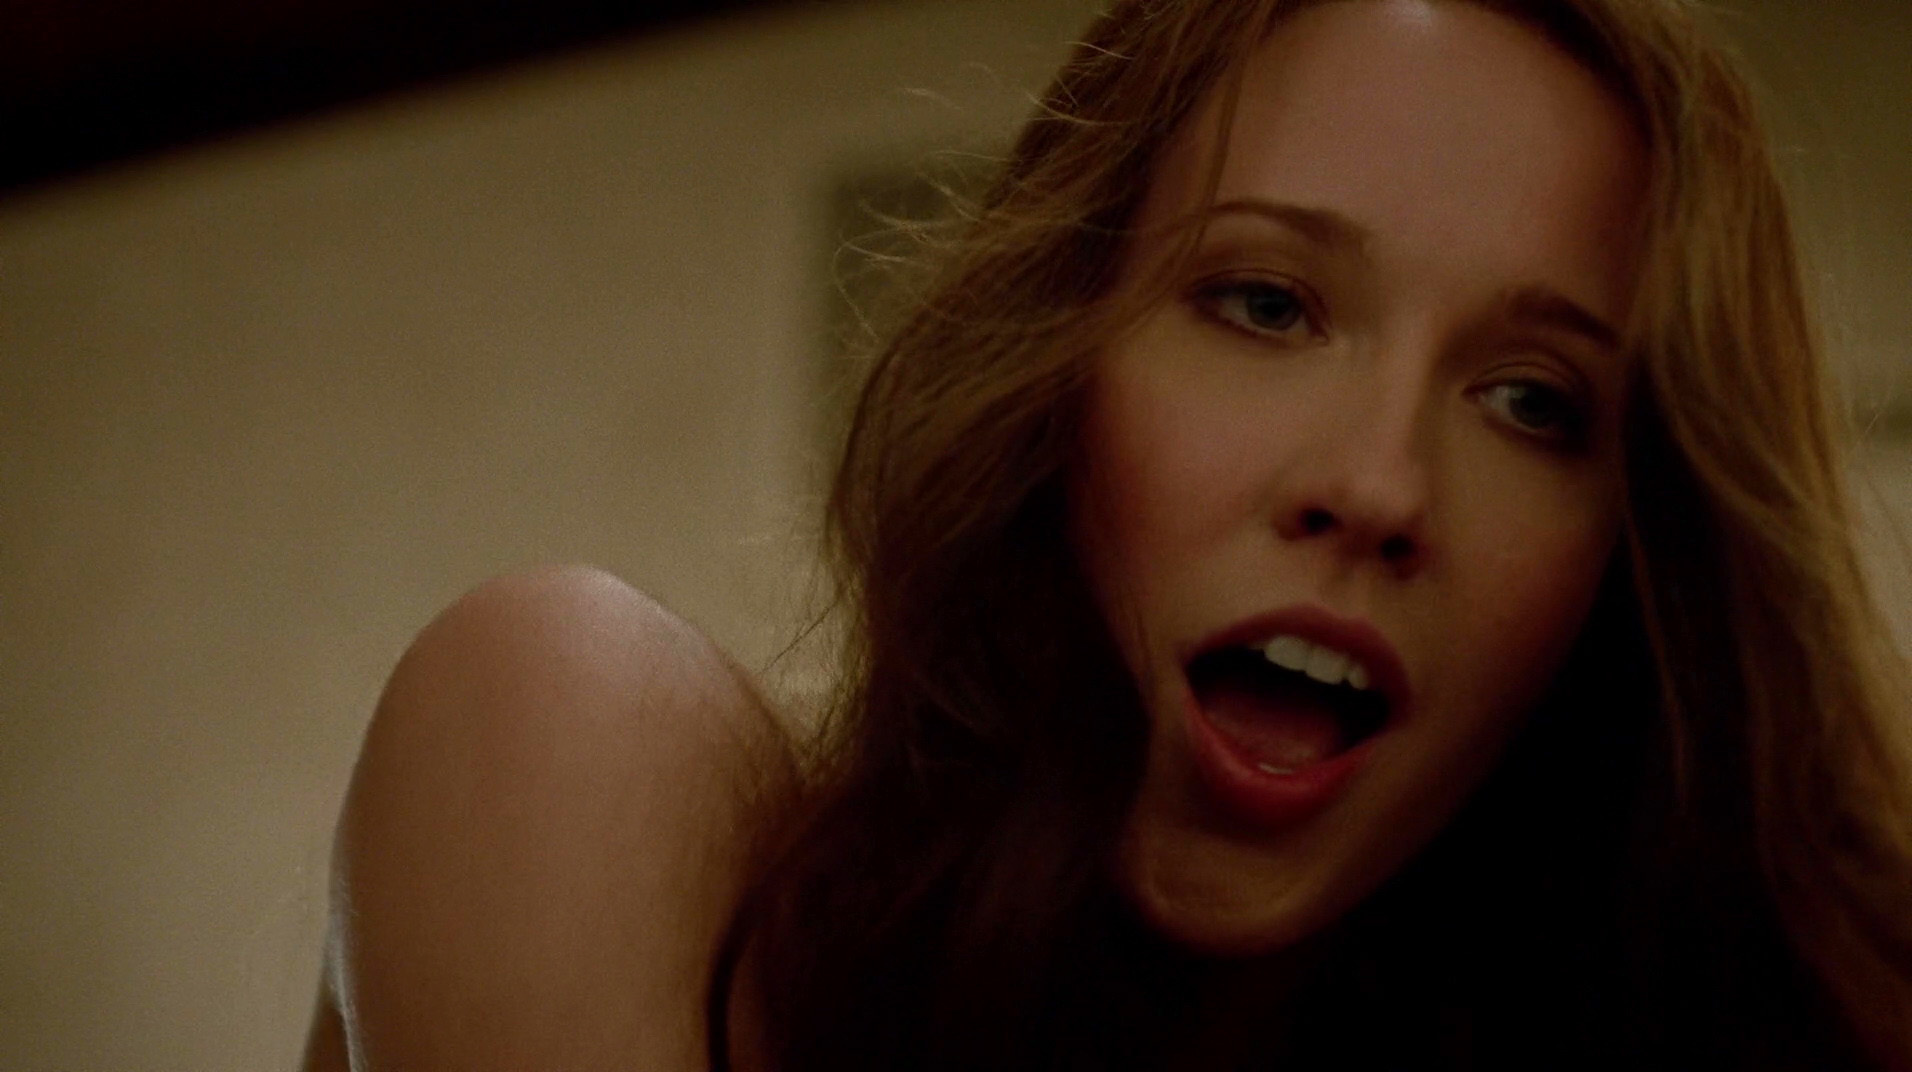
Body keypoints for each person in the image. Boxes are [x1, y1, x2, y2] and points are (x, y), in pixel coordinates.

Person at [301, 0, 1912, 1069]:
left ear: (1627, 568)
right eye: (1265, 303)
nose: (1378, 484)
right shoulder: (584, 744)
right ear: (1058, 365)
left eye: (1533, 402)